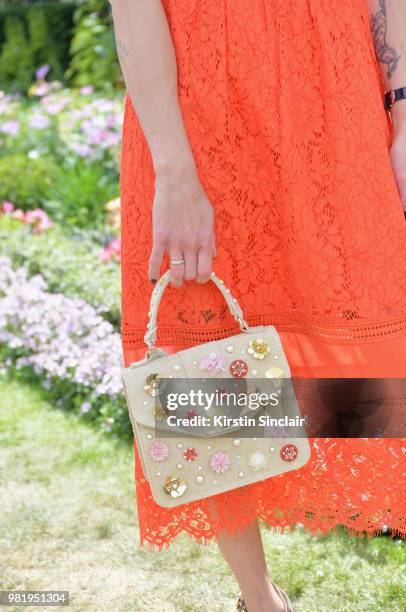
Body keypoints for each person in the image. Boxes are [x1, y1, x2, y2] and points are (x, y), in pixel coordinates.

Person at [110, 1, 406, 610]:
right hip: (202, 113)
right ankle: (260, 601)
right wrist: (174, 174)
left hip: (341, 90)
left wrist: (405, 108)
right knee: (208, 355)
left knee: (378, 323)